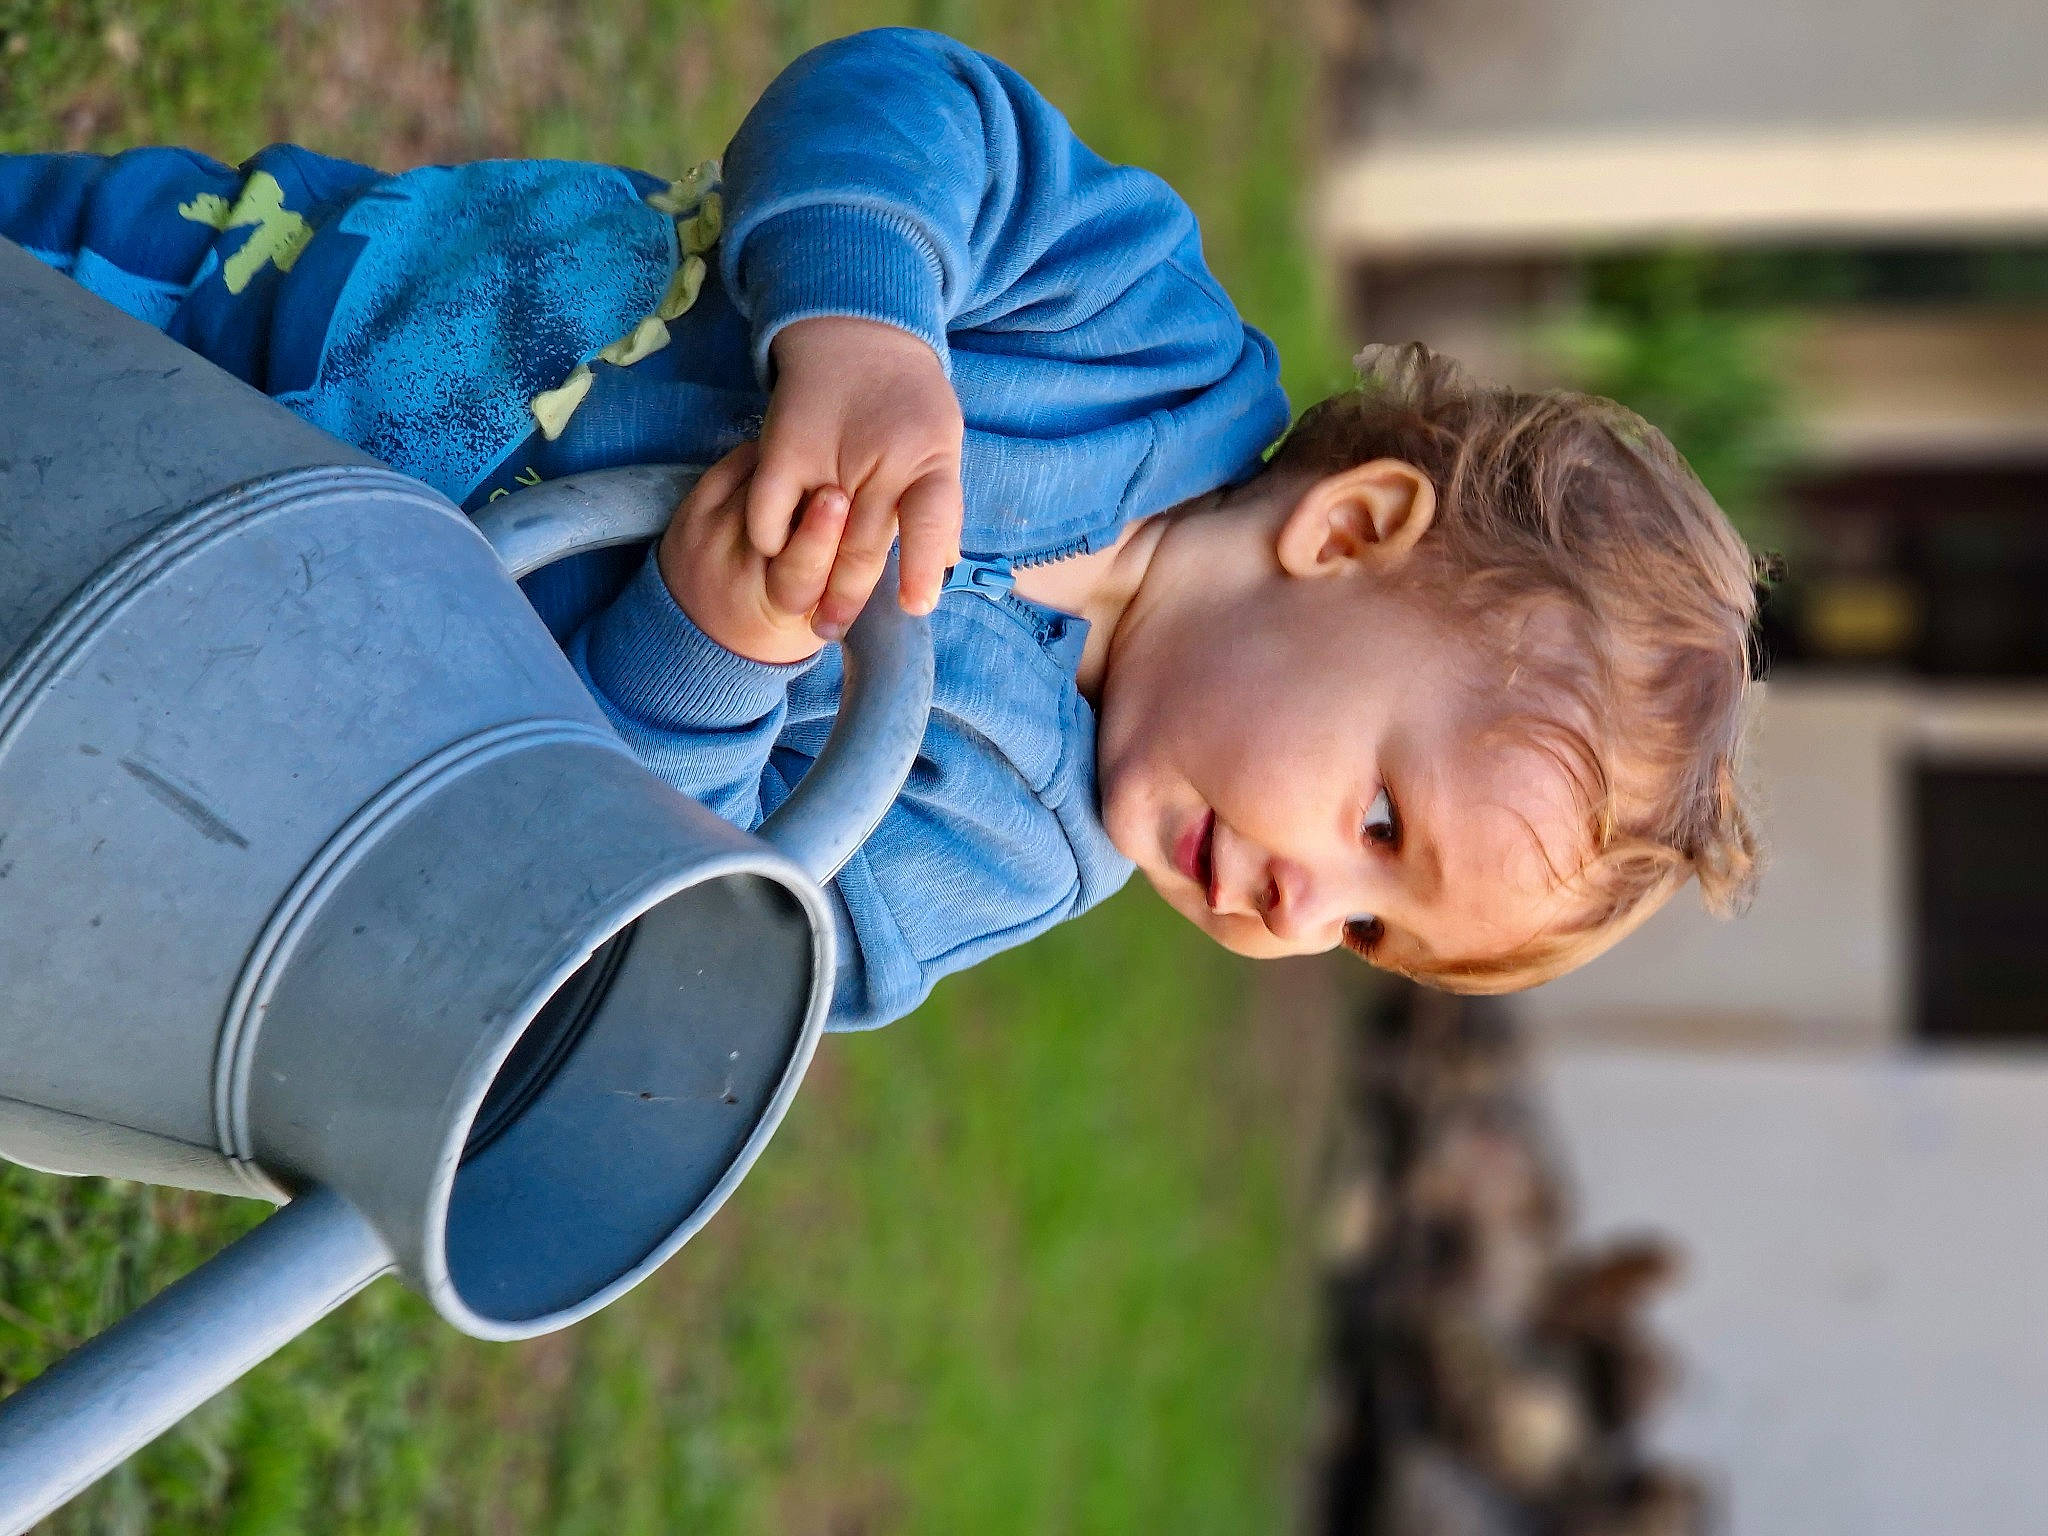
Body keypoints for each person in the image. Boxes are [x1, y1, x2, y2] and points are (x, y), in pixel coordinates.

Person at [0, 27, 1759, 1030]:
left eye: (1371, 931)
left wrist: (710, 655)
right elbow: (907, 101)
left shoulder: (1001, 856)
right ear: (1354, 531)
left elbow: (669, 938)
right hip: (313, 315)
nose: (1309, 908)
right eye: (1382, 822)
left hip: (274, 675)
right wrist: (867, 323)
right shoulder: (1133, 337)